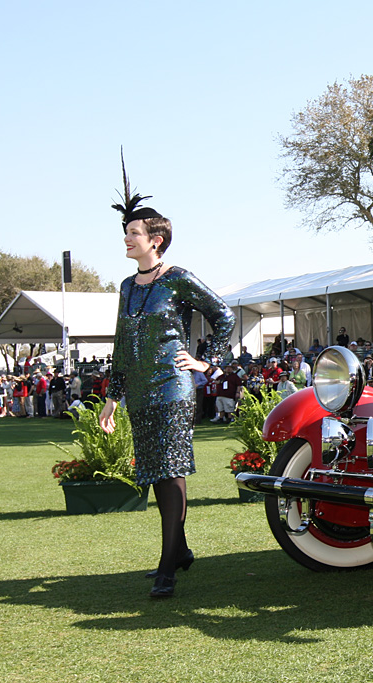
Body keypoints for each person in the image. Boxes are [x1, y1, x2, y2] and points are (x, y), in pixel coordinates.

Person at [98, 162, 235, 599]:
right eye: (127, 232)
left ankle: (166, 567)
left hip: (173, 388)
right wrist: (112, 399)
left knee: (172, 471)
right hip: (137, 391)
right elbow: (122, 341)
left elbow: (224, 316)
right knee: (157, 473)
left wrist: (206, 363)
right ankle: (180, 550)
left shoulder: (177, 279)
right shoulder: (126, 286)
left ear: (154, 240)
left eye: (134, 232)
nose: (127, 238)